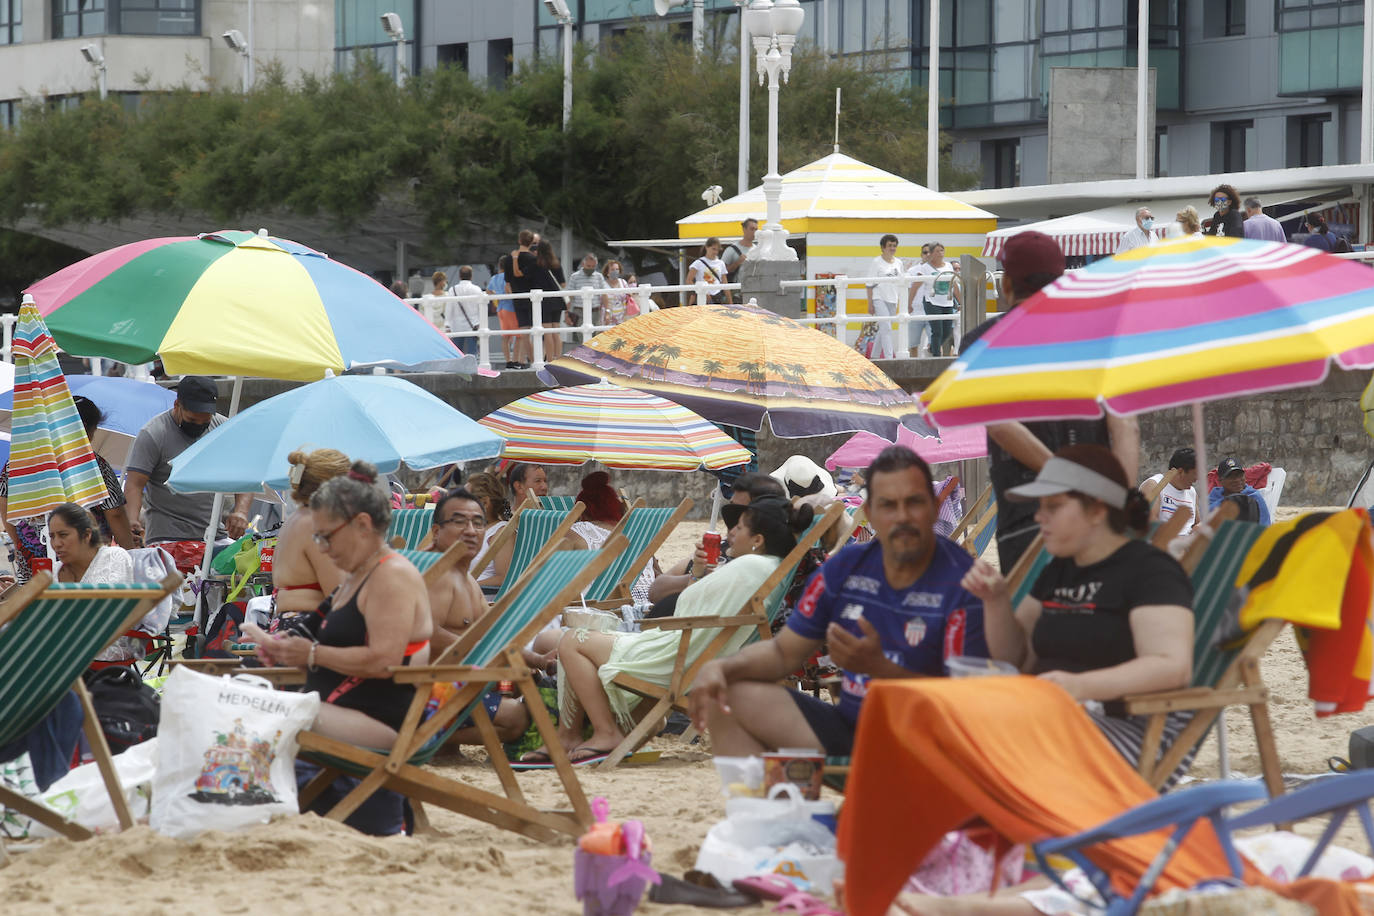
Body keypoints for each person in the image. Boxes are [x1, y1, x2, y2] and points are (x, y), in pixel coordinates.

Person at [689, 448, 987, 759]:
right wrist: (719, 667)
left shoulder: (962, 581)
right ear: (870, 513)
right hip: (852, 726)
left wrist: (882, 668)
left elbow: (970, 698)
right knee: (731, 695)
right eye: (888, 505)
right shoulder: (845, 567)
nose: (902, 516)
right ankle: (764, 807)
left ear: (931, 510)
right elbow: (783, 651)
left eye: (914, 503)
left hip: (924, 736)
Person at [962, 444, 1194, 776]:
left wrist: (1078, 686)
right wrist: (996, 602)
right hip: (1052, 716)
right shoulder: (1060, 570)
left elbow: (1172, 667)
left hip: (1126, 730)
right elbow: (1014, 657)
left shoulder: (1150, 571)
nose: (1039, 516)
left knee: (977, 747)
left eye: (1053, 506)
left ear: (1097, 510)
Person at [553, 496, 814, 764]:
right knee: (579, 639)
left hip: (679, 657)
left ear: (757, 540)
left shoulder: (748, 567)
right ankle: (579, 734)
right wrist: (701, 574)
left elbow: (687, 604)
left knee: (572, 640)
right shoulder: (768, 568)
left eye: (740, 528)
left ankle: (602, 733)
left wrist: (698, 575)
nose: (732, 532)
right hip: (699, 654)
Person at [961, 232, 1139, 572]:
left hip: (1030, 518)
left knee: (1040, 621)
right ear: (1062, 282)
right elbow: (1125, 422)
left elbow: (1000, 424)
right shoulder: (1101, 338)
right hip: (1101, 514)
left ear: (1006, 284)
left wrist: (1068, 479)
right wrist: (1121, 496)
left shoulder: (981, 343)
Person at [247, 461, 432, 749]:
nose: (321, 548)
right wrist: (284, 649)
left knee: (250, 716)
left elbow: (384, 661)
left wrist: (311, 654)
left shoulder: (391, 577)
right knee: (238, 704)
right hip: (342, 705)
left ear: (362, 524)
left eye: (326, 536)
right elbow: (311, 637)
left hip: (380, 718)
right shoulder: (356, 579)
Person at [124, 376, 254, 547]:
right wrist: (132, 520)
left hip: (214, 535)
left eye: (205, 420)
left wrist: (241, 512)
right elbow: (135, 484)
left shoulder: (223, 429)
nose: (199, 424)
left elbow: (244, 476)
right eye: (192, 420)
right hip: (167, 536)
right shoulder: (154, 433)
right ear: (177, 405)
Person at [647, 470, 785, 606]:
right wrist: (697, 575)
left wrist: (704, 579)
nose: (733, 525)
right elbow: (655, 590)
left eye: (741, 515)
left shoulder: (756, 566)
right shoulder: (719, 546)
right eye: (729, 511)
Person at [50, 502, 139, 662]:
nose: (56, 543)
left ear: (87, 535)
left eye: (63, 535)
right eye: (52, 536)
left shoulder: (113, 557)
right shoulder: (55, 571)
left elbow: (106, 615)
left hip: (105, 646)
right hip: (64, 650)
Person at [272, 449, 350, 620]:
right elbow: (339, 594)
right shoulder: (315, 525)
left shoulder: (296, 519)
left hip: (292, 625)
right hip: (309, 629)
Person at [425, 488, 491, 658]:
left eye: (478, 523)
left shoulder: (468, 580)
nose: (470, 531)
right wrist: (480, 651)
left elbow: (493, 635)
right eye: (460, 522)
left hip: (472, 675)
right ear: (436, 532)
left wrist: (540, 661)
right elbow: (425, 632)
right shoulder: (438, 574)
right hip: (435, 680)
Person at [910, 241, 960, 357]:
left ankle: (932, 347)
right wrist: (909, 303)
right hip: (931, 302)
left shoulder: (948, 266)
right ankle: (936, 356)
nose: (940, 253)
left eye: (941, 250)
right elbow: (915, 286)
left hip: (947, 302)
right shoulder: (925, 268)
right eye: (937, 251)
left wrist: (961, 302)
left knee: (947, 331)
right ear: (932, 253)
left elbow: (954, 285)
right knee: (937, 331)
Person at [864, 234, 905, 360]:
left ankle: (874, 357)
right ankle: (889, 358)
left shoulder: (899, 262)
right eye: (889, 246)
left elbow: (901, 282)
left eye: (894, 246)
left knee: (884, 328)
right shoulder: (876, 262)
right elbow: (869, 284)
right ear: (883, 247)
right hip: (879, 297)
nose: (892, 248)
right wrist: (870, 304)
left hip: (893, 298)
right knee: (886, 327)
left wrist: (900, 300)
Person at [1142, 447, 1198, 536]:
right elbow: (1149, 521)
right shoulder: (1154, 485)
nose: (1196, 479)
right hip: (1163, 543)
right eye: (1195, 474)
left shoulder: (1192, 492)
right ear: (1180, 472)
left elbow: (1197, 523)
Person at [530, 240, 567, 360]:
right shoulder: (556, 263)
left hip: (544, 301)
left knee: (547, 332)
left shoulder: (536, 264)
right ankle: (559, 357)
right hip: (557, 300)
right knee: (556, 331)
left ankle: (550, 359)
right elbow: (563, 283)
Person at [1208, 457, 1271, 525]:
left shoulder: (1254, 497)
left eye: (1240, 475)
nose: (1237, 480)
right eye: (1231, 477)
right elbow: (1205, 519)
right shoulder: (1213, 497)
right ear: (1220, 481)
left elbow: (1264, 526)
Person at [507, 229, 538, 368]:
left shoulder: (509, 258)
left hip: (517, 298)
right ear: (532, 242)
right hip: (532, 299)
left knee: (525, 332)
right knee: (537, 330)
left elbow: (507, 281)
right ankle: (535, 361)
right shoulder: (533, 259)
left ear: (519, 240)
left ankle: (531, 360)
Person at [445, 266, 485, 356]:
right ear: (471, 276)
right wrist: (481, 324)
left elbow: (449, 308)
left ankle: (458, 369)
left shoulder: (452, 290)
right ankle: (472, 369)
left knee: (457, 353)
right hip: (473, 325)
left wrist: (447, 325)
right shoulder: (477, 289)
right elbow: (481, 309)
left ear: (459, 276)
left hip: (457, 325)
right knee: (472, 353)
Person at [488, 254, 518, 367]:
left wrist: (497, 296)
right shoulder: (509, 277)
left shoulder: (494, 278)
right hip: (511, 308)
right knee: (519, 336)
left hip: (500, 308)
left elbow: (488, 291)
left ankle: (508, 361)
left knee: (505, 337)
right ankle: (516, 360)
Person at [566, 253, 610, 329]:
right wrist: (566, 314)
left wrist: (607, 312)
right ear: (583, 264)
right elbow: (569, 296)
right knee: (582, 337)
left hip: (596, 311)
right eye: (588, 266)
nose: (591, 268)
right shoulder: (575, 277)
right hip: (579, 311)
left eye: (593, 266)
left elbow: (604, 295)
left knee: (595, 338)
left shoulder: (599, 276)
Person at [686, 238, 730, 305]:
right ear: (706, 247)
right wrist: (701, 292)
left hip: (717, 297)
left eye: (717, 250)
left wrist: (730, 302)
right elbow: (689, 280)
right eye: (713, 249)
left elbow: (725, 284)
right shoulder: (698, 263)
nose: (715, 252)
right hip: (702, 296)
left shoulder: (721, 263)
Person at [601, 260, 636, 326]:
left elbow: (630, 295)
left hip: (623, 317)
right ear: (607, 272)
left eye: (617, 269)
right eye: (612, 269)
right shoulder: (603, 285)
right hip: (608, 317)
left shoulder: (623, 282)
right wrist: (607, 313)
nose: (615, 271)